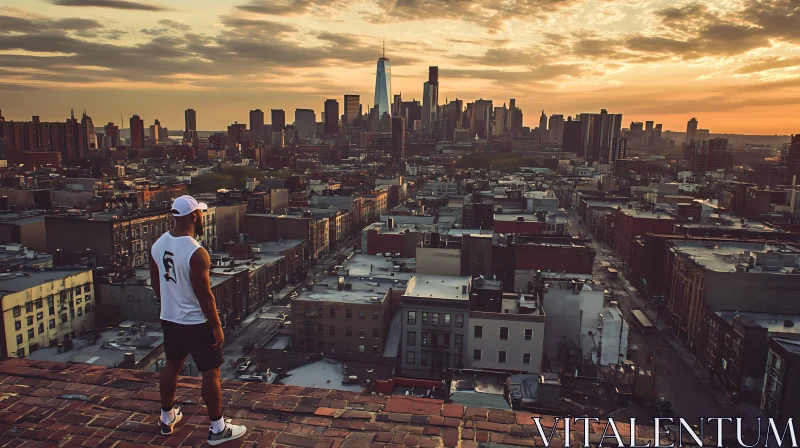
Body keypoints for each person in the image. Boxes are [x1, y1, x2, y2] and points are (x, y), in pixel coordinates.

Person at [149, 195, 246, 445]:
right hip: (195, 322)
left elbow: (156, 283)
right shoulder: (196, 252)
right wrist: (216, 325)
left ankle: (167, 417)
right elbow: (205, 296)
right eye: (200, 213)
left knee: (172, 365)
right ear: (194, 216)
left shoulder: (158, 245)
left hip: (170, 319)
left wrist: (169, 305)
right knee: (211, 373)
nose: (202, 216)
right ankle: (217, 429)